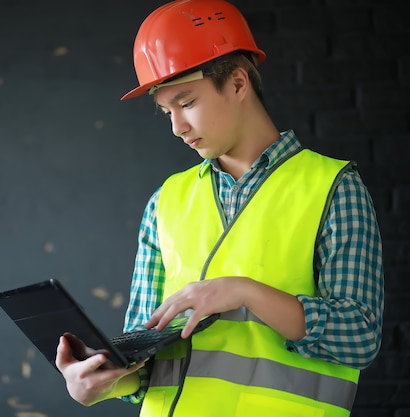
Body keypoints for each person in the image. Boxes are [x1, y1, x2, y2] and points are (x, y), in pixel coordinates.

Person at [54, 0, 385, 415]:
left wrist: (243, 291)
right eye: (166, 112)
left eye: (187, 103)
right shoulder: (166, 201)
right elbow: (142, 359)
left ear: (237, 83)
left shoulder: (333, 187)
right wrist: (97, 385)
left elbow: (359, 336)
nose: (177, 127)